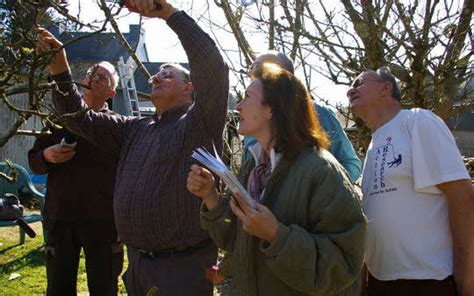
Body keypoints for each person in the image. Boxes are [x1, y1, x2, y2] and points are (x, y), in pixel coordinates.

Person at [35, 1, 229, 294]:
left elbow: (212, 67)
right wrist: (60, 70)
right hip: (139, 264)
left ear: (190, 88)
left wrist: (168, 14)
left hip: (182, 268)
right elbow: (77, 117)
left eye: (167, 74)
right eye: (156, 73)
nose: (155, 76)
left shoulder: (200, 122)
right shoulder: (134, 128)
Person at [187, 63, 366, 296]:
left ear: (272, 109)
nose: (238, 106)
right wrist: (210, 196)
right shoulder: (254, 166)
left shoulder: (321, 170)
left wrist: (276, 235)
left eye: (247, 97)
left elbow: (343, 266)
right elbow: (235, 241)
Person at [346, 67, 474, 295]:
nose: (349, 90)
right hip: (380, 285)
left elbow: (463, 197)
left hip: (427, 283)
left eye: (358, 83)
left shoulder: (417, 121)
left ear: (386, 88)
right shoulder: (374, 145)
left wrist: (467, 278)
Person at [28, 61, 123, 295]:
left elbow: (127, 177)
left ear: (111, 93)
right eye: (92, 73)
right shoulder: (58, 119)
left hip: (103, 221)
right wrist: (47, 156)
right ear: (81, 82)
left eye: (104, 77)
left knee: (104, 287)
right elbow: (34, 161)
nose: (95, 77)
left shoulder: (117, 127)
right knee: (59, 287)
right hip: (61, 217)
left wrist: (123, 221)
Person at [243, 51, 362, 182]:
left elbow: (351, 164)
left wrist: (320, 194)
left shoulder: (319, 113)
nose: (250, 73)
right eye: (250, 67)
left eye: (257, 67)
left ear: (281, 72)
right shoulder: (251, 125)